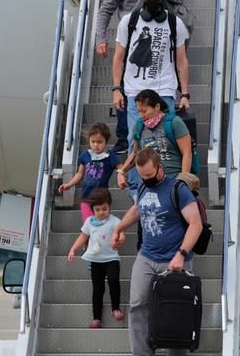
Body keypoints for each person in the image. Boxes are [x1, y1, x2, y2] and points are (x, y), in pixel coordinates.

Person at [95, 0, 185, 154]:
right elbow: (106, 8)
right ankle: (125, 138)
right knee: (127, 91)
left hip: (160, 34)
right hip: (129, 38)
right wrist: (100, 38)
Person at [110, 147, 204, 356]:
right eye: (142, 176)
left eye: (150, 175)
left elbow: (195, 224)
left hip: (174, 258)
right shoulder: (143, 186)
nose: (146, 179)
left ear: (160, 168)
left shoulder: (177, 189)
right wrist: (119, 228)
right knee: (137, 305)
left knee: (176, 310)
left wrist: (181, 254)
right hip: (147, 256)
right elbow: (138, 209)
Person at [112, 0, 190, 168]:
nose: (152, 4)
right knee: (135, 141)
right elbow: (118, 57)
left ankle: (166, 183)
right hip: (135, 91)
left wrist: (185, 93)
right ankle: (135, 190)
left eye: (156, 0)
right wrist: (116, 88)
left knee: (165, 142)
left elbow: (181, 60)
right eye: (148, 0)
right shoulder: (128, 21)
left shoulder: (175, 23)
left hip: (165, 91)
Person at [66, 188, 125, 328]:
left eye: (105, 209)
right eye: (97, 210)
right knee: (97, 289)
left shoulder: (115, 221)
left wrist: (120, 240)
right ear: (92, 209)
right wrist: (73, 249)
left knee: (113, 281)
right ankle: (96, 318)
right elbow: (83, 236)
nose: (101, 212)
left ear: (109, 206)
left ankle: (115, 308)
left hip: (111, 259)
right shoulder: (89, 222)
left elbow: (121, 234)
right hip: (96, 261)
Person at [116, 89, 192, 197]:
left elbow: (187, 153)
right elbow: (135, 153)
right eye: (139, 111)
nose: (141, 115)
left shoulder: (174, 122)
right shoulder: (139, 125)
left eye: (145, 111)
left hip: (173, 181)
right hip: (149, 184)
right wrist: (122, 171)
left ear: (157, 106)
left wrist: (183, 182)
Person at [58, 123, 120, 221]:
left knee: (102, 223)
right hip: (86, 196)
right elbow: (80, 174)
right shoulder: (86, 155)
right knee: (89, 224)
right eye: (93, 141)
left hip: (102, 198)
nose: (95, 145)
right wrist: (69, 184)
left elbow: (120, 167)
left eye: (99, 142)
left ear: (106, 142)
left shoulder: (110, 157)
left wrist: (120, 175)